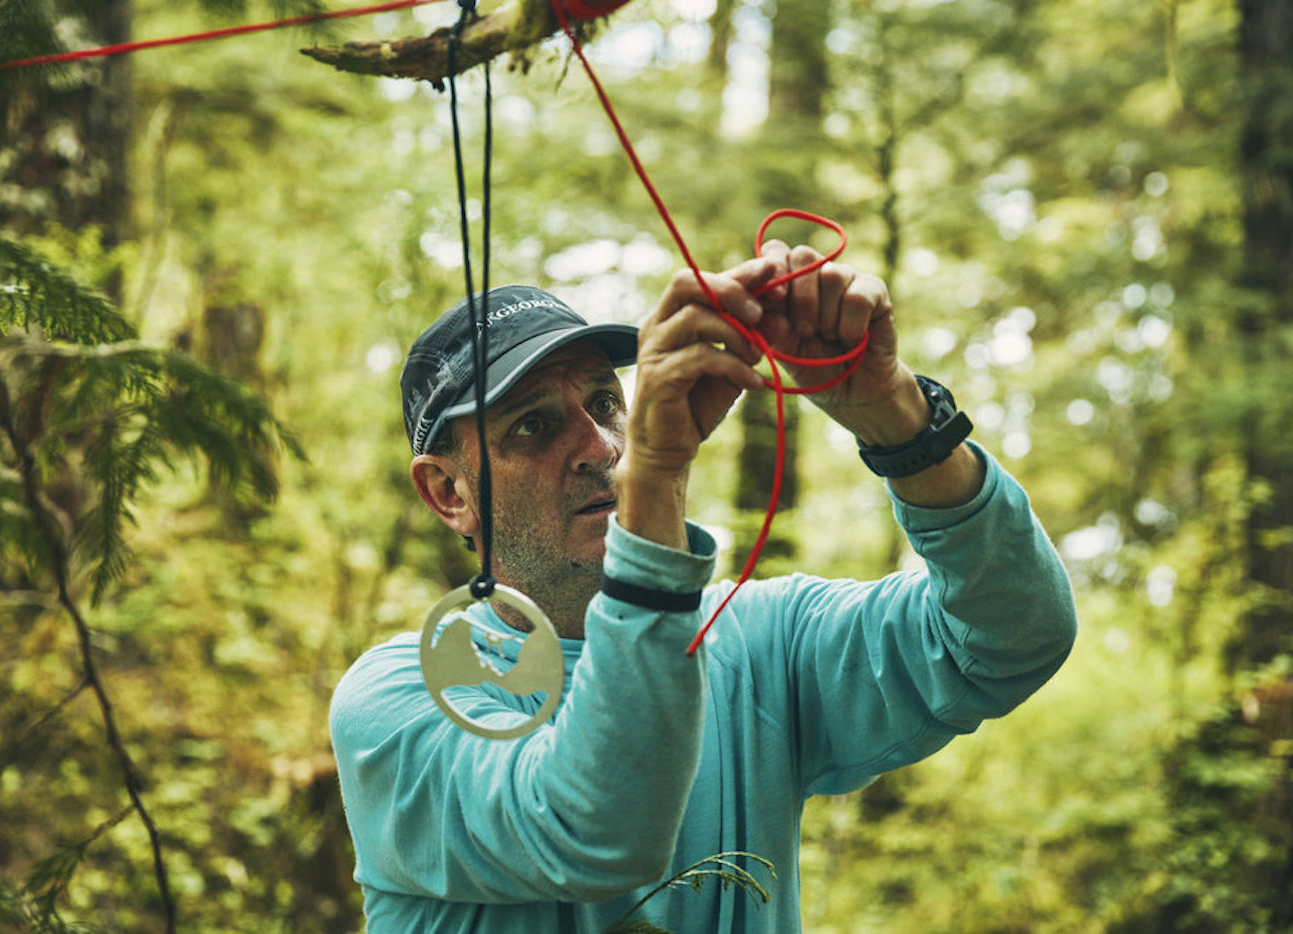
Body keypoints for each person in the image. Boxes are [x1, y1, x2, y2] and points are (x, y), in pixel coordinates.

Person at [330, 243, 1077, 933]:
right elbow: (594, 830)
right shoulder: (400, 698)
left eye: (603, 402)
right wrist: (654, 480)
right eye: (533, 426)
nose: (600, 447)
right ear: (448, 493)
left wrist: (899, 421)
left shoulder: (759, 642)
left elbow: (1010, 636)